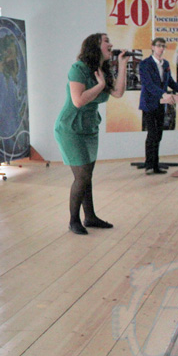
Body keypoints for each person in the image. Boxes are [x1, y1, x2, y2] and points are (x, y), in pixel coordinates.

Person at [54, 33, 129, 235]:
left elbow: (118, 92)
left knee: (87, 176)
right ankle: (73, 220)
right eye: (106, 41)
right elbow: (78, 101)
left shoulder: (102, 70)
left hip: (89, 128)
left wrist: (122, 65)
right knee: (82, 176)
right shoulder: (78, 69)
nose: (111, 44)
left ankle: (90, 217)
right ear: (94, 46)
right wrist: (100, 86)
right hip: (70, 128)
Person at [138, 37, 178, 174]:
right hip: (149, 104)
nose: (161, 48)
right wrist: (163, 94)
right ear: (152, 47)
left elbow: (170, 82)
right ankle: (149, 165)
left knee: (158, 135)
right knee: (152, 134)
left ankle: (155, 165)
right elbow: (148, 84)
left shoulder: (165, 63)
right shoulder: (145, 64)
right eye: (159, 45)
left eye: (163, 46)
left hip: (162, 104)